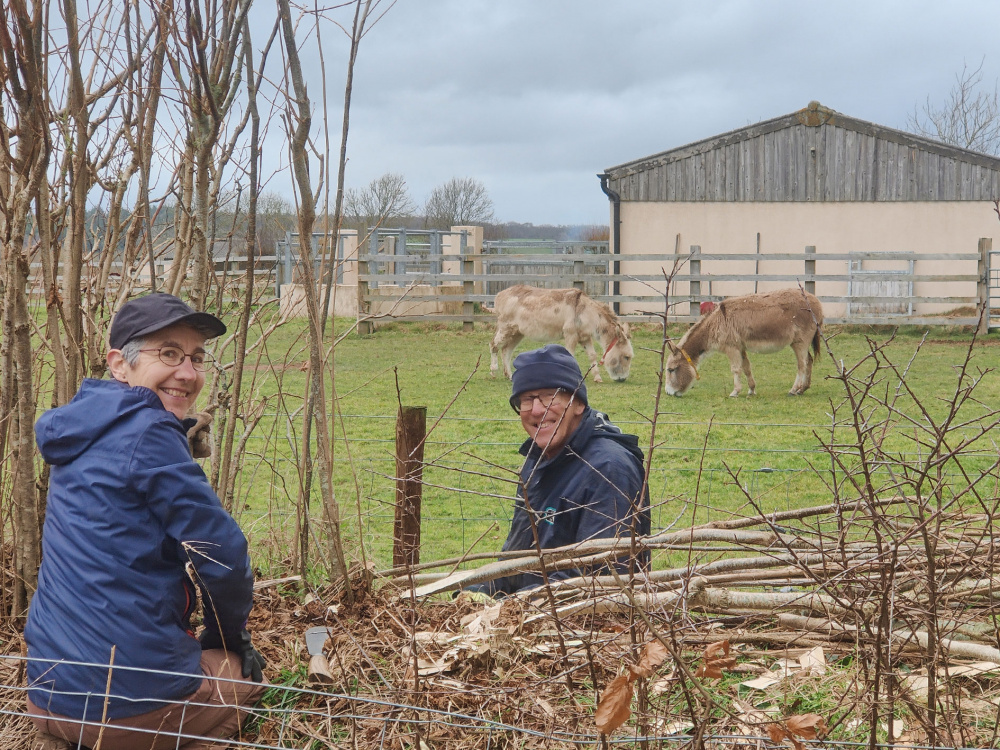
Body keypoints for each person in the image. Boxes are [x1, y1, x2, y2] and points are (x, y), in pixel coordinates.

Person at [25, 293, 266, 750]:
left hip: (47, 695)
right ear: (120, 363)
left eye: (196, 357)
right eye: (169, 353)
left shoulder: (80, 425)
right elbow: (225, 556)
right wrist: (226, 638)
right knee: (243, 679)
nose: (189, 372)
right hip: (123, 709)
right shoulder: (151, 434)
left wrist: (179, 436)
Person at [474, 344, 651, 596]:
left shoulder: (607, 469)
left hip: (583, 625)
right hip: (532, 614)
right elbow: (515, 561)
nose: (536, 410)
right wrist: (475, 594)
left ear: (578, 403)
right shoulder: (536, 462)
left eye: (549, 396)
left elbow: (595, 577)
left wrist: (512, 606)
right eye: (526, 399)